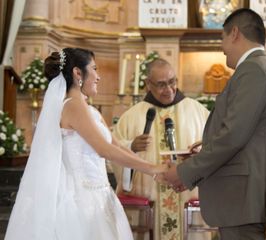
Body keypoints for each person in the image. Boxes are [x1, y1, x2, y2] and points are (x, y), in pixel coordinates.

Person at [5, 48, 166, 240]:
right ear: (77, 73)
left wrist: (155, 168)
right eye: (94, 69)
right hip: (82, 201)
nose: (98, 76)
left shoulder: (90, 110)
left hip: (101, 196)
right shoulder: (73, 105)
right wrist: (153, 169)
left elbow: (117, 146)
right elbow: (103, 150)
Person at [162, 8, 266, 240]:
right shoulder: (265, 68)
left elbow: (233, 137)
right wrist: (208, 144)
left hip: (241, 199)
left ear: (235, 33)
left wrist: (184, 172)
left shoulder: (253, 69)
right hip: (244, 199)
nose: (222, 49)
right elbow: (248, 134)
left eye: (222, 38)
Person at [113, 58, 211, 240]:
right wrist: (130, 147)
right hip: (148, 204)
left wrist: (198, 153)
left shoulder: (198, 112)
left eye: (172, 82)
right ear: (148, 84)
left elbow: (215, 148)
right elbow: (113, 154)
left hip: (187, 202)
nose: (169, 89)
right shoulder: (131, 116)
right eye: (161, 85)